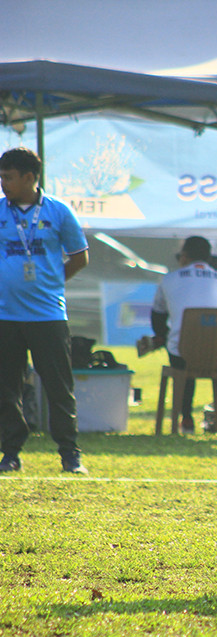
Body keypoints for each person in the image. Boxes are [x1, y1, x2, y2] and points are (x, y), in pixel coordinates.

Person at [0, 147, 89, 474]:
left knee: (58, 387)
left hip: (48, 315)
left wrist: (52, 283)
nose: (2, 182)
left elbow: (80, 257)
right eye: (1, 175)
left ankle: (70, 454)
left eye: (8, 176)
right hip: (5, 315)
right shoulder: (0, 211)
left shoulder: (59, 212)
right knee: (6, 388)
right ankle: (10, 453)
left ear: (29, 177)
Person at [149, 236, 217, 434]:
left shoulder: (169, 279)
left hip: (183, 355)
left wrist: (161, 336)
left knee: (182, 347)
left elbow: (157, 317)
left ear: (184, 257)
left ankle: (186, 417)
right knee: (198, 343)